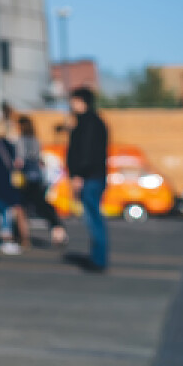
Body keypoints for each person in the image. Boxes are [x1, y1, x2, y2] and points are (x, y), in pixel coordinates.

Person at [66, 86, 110, 272]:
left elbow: (85, 153)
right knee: (93, 217)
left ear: (80, 101)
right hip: (94, 176)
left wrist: (79, 175)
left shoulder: (88, 123)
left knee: (93, 218)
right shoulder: (93, 122)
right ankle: (97, 257)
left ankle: (98, 260)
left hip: (90, 177)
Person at [15, 115, 62, 244]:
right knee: (40, 203)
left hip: (25, 178)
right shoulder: (36, 140)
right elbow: (38, 158)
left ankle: (22, 236)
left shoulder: (21, 141)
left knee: (22, 207)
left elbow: (20, 160)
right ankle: (57, 227)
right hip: (37, 176)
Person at [0, 124, 26, 255]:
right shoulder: (10, 145)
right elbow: (17, 163)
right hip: (8, 180)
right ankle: (7, 238)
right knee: (6, 210)